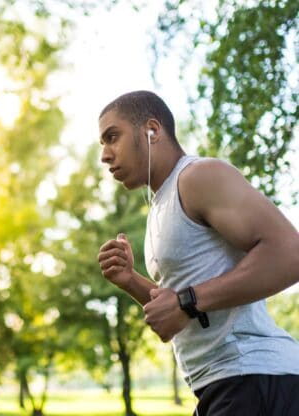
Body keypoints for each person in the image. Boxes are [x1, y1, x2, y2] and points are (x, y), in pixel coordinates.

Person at [97, 90, 299, 416]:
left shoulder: (199, 176)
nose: (105, 155)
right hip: (223, 385)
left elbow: (291, 253)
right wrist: (130, 280)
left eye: (112, 137)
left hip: (253, 377)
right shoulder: (160, 206)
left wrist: (187, 302)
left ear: (152, 130)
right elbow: (178, 310)